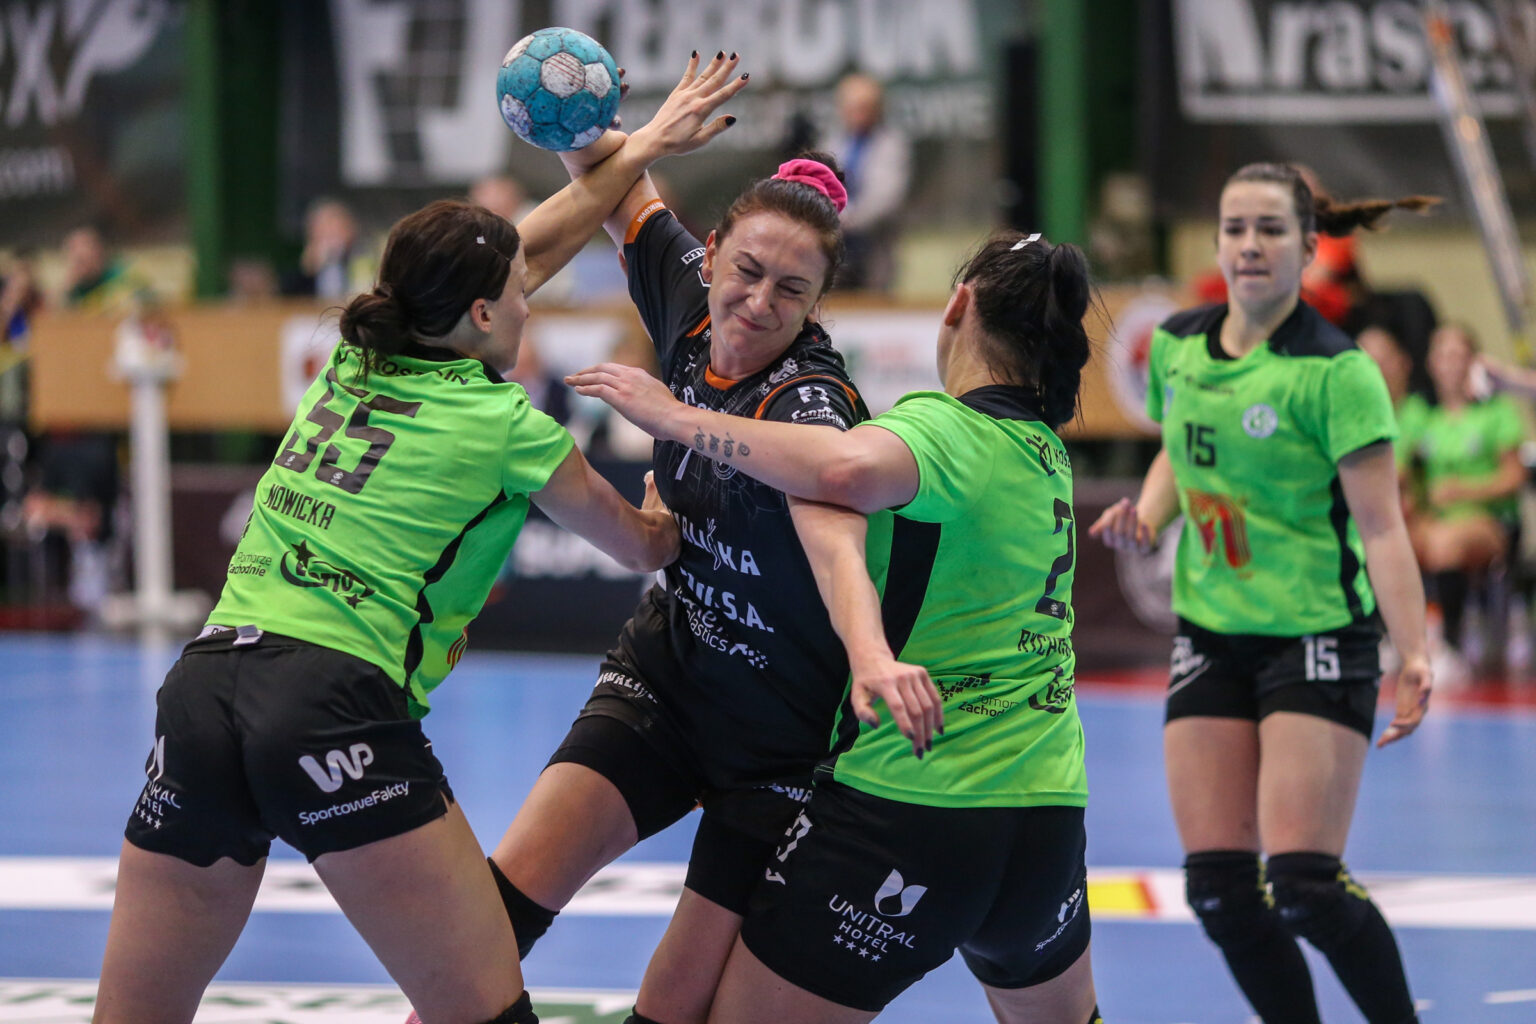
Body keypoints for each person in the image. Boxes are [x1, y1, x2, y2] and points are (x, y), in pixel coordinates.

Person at [91, 51, 749, 1024]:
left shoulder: (354, 359)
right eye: (517, 294)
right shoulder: (508, 425)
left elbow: (525, 251)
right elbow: (645, 550)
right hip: (330, 704)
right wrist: (669, 493)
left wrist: (645, 142)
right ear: (482, 313)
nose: (530, 297)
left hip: (204, 689)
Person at [474, 53, 938, 1024]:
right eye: (748, 272)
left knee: (674, 1004)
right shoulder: (687, 292)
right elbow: (615, 188)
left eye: (792, 292)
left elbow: (830, 506)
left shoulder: (810, 398)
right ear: (714, 252)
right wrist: (615, 129)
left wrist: (677, 418)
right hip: (670, 674)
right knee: (490, 918)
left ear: (818, 304)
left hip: (779, 737)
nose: (759, 305)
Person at [568, 230, 1102, 1023]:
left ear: (957, 306)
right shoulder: (1045, 452)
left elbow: (841, 469)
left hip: (910, 808)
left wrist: (676, 417)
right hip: (1047, 815)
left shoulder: (947, 430)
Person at [1089, 162, 1432, 1024]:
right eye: (1235, 227)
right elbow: (1179, 451)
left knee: (1306, 885)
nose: (1250, 244)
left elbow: (1382, 526)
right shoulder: (1178, 345)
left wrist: (1416, 652)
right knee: (1219, 892)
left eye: (1271, 229)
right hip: (1212, 633)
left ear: (1310, 247)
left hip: (1318, 635)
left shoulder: (1336, 372)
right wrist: (1149, 516)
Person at [1401, 323, 1526, 661]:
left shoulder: (1495, 412)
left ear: (1474, 361)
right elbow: (1400, 471)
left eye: (1458, 354)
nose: (1450, 364)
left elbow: (1515, 475)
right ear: (1430, 362)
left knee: (1446, 545)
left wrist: (1464, 491)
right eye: (1442, 354)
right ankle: (1398, 637)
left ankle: (1450, 645)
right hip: (1433, 520)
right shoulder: (1420, 414)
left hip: (1489, 520)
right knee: (1389, 543)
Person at [820, 72, 911, 293]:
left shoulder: (891, 144)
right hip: (832, 247)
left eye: (865, 106)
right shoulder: (830, 142)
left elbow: (886, 197)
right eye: (852, 106)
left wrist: (848, 218)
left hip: (873, 247)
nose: (859, 113)